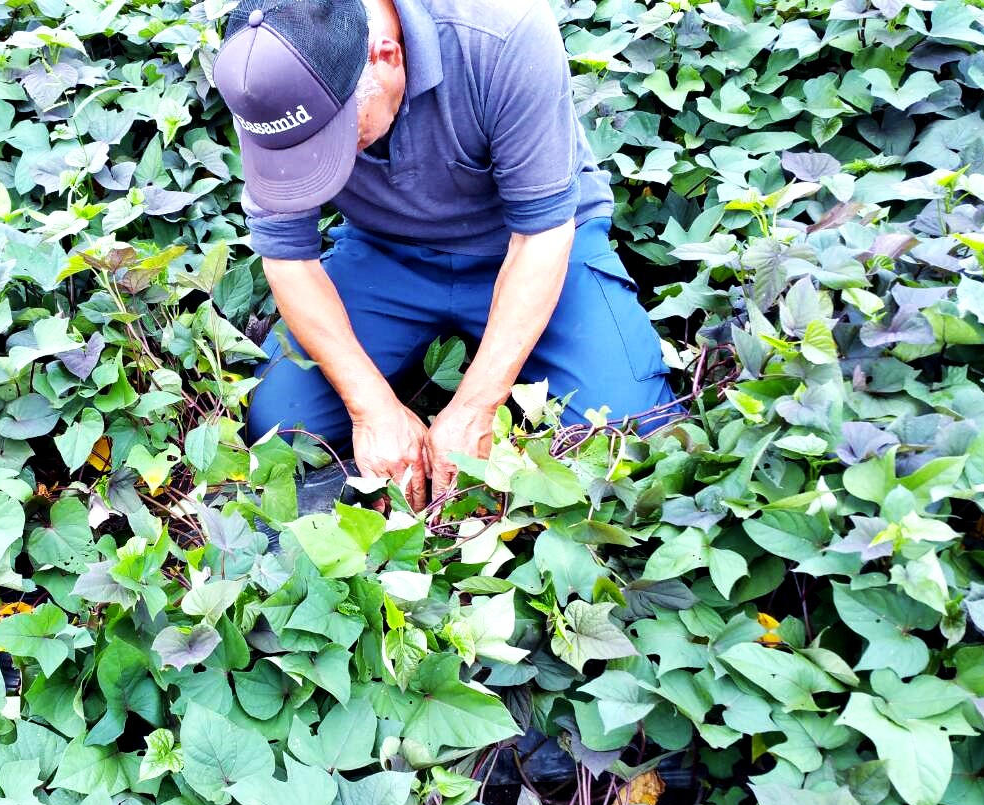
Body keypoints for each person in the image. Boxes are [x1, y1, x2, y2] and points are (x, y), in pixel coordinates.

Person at [214, 0, 681, 510]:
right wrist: (370, 407)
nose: (327, 160)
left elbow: (542, 238)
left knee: (629, 432)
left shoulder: (504, 30)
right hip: (386, 254)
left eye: (339, 137)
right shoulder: (265, 69)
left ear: (385, 57)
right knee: (282, 424)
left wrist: (477, 407)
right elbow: (288, 257)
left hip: (531, 246)